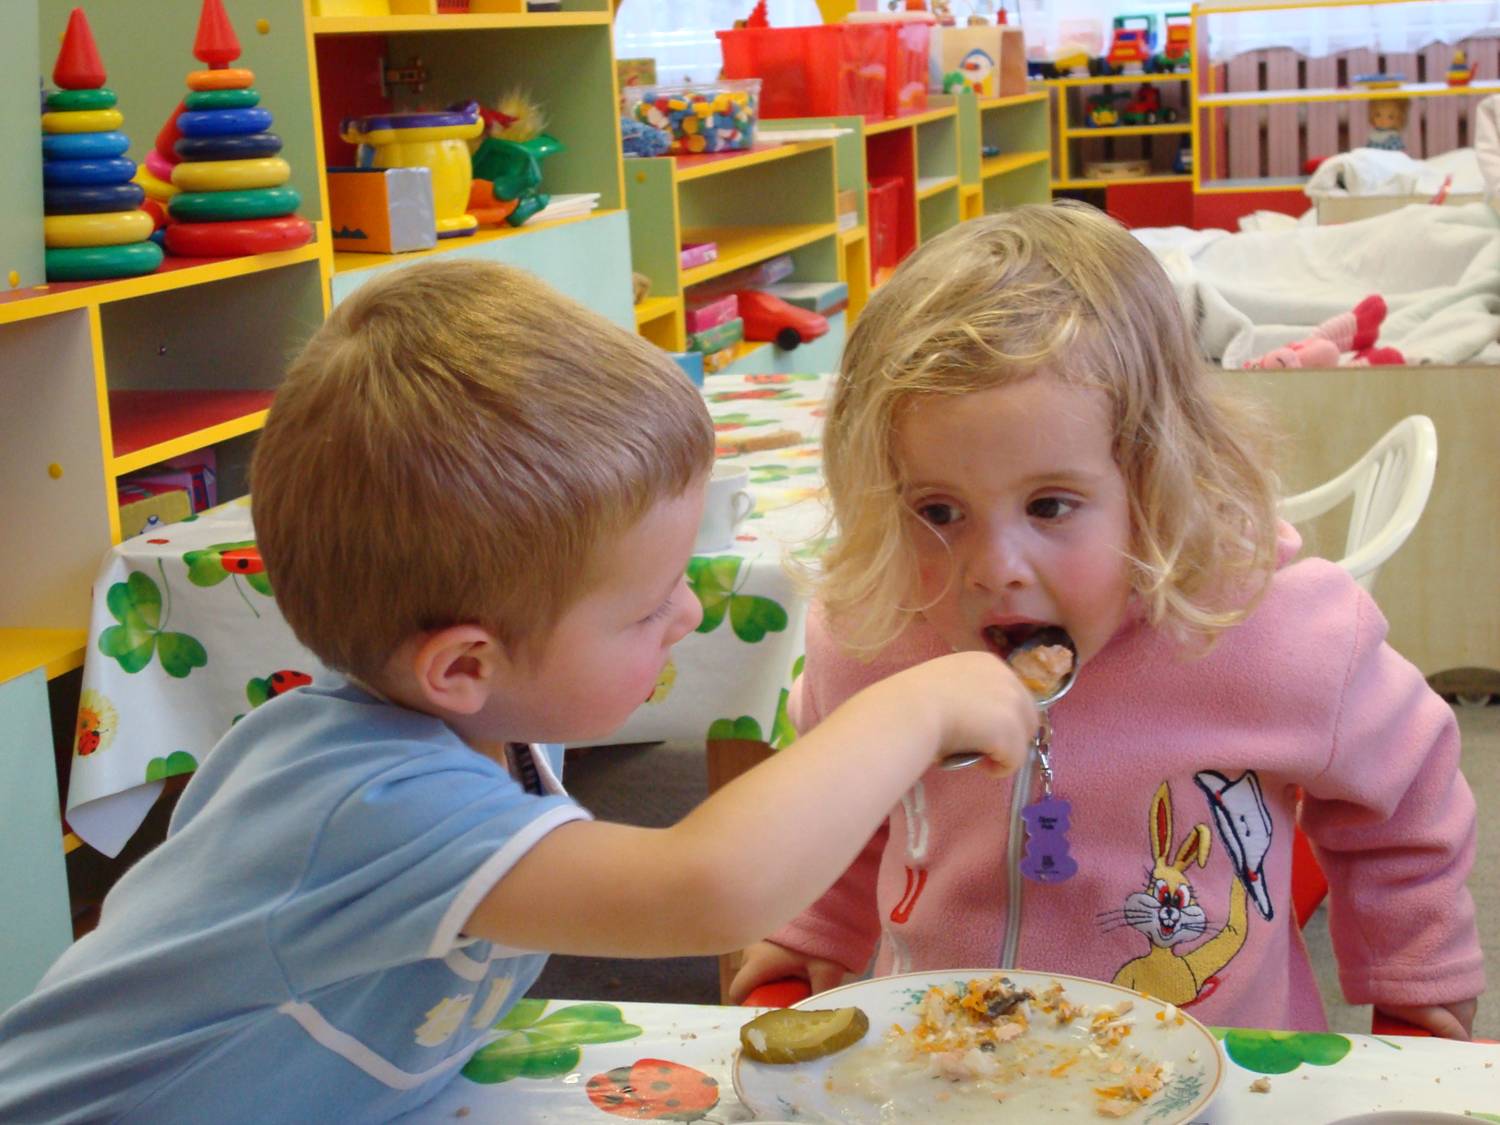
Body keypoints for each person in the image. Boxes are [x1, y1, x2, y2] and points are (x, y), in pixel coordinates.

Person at [0, 260, 1042, 1121]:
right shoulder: (370, 802)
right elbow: (710, 889)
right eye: (645, 608)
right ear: (462, 666)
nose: (687, 614)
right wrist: (911, 706)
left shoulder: (462, 731)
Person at [728, 202, 1484, 1039]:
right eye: (939, 509)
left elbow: (1407, 788)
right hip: (946, 1066)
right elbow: (850, 806)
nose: (992, 567)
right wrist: (809, 931)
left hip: (1213, 1073)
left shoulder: (1268, 631)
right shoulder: (875, 636)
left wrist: (1416, 979)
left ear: (1152, 482)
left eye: (1050, 505)